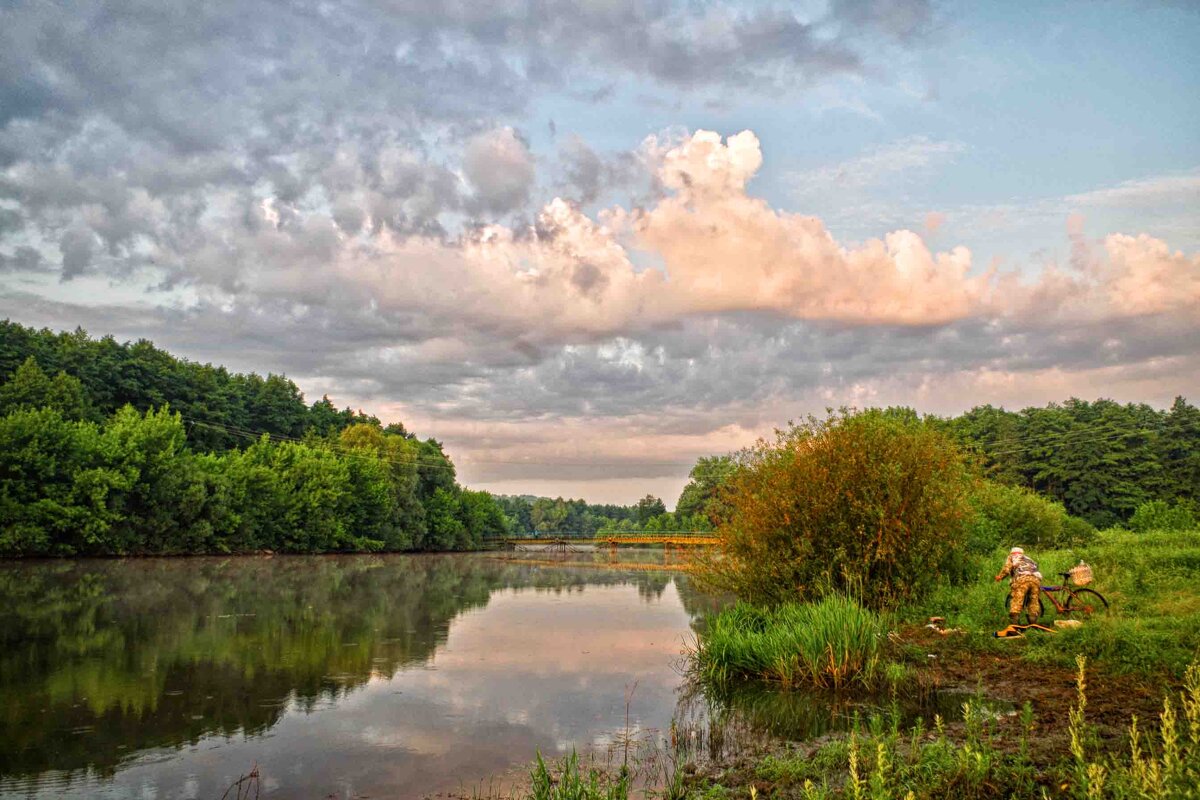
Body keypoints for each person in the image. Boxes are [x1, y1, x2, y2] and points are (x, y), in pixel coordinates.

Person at [994, 546, 1042, 626]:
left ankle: (1015, 625)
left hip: (1022, 580)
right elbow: (1036, 569)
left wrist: (1000, 577)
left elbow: (1007, 569)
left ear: (1011, 553)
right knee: (1033, 601)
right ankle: (1033, 622)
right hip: (1035, 580)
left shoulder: (1012, 557)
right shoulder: (1028, 559)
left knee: (1017, 601)